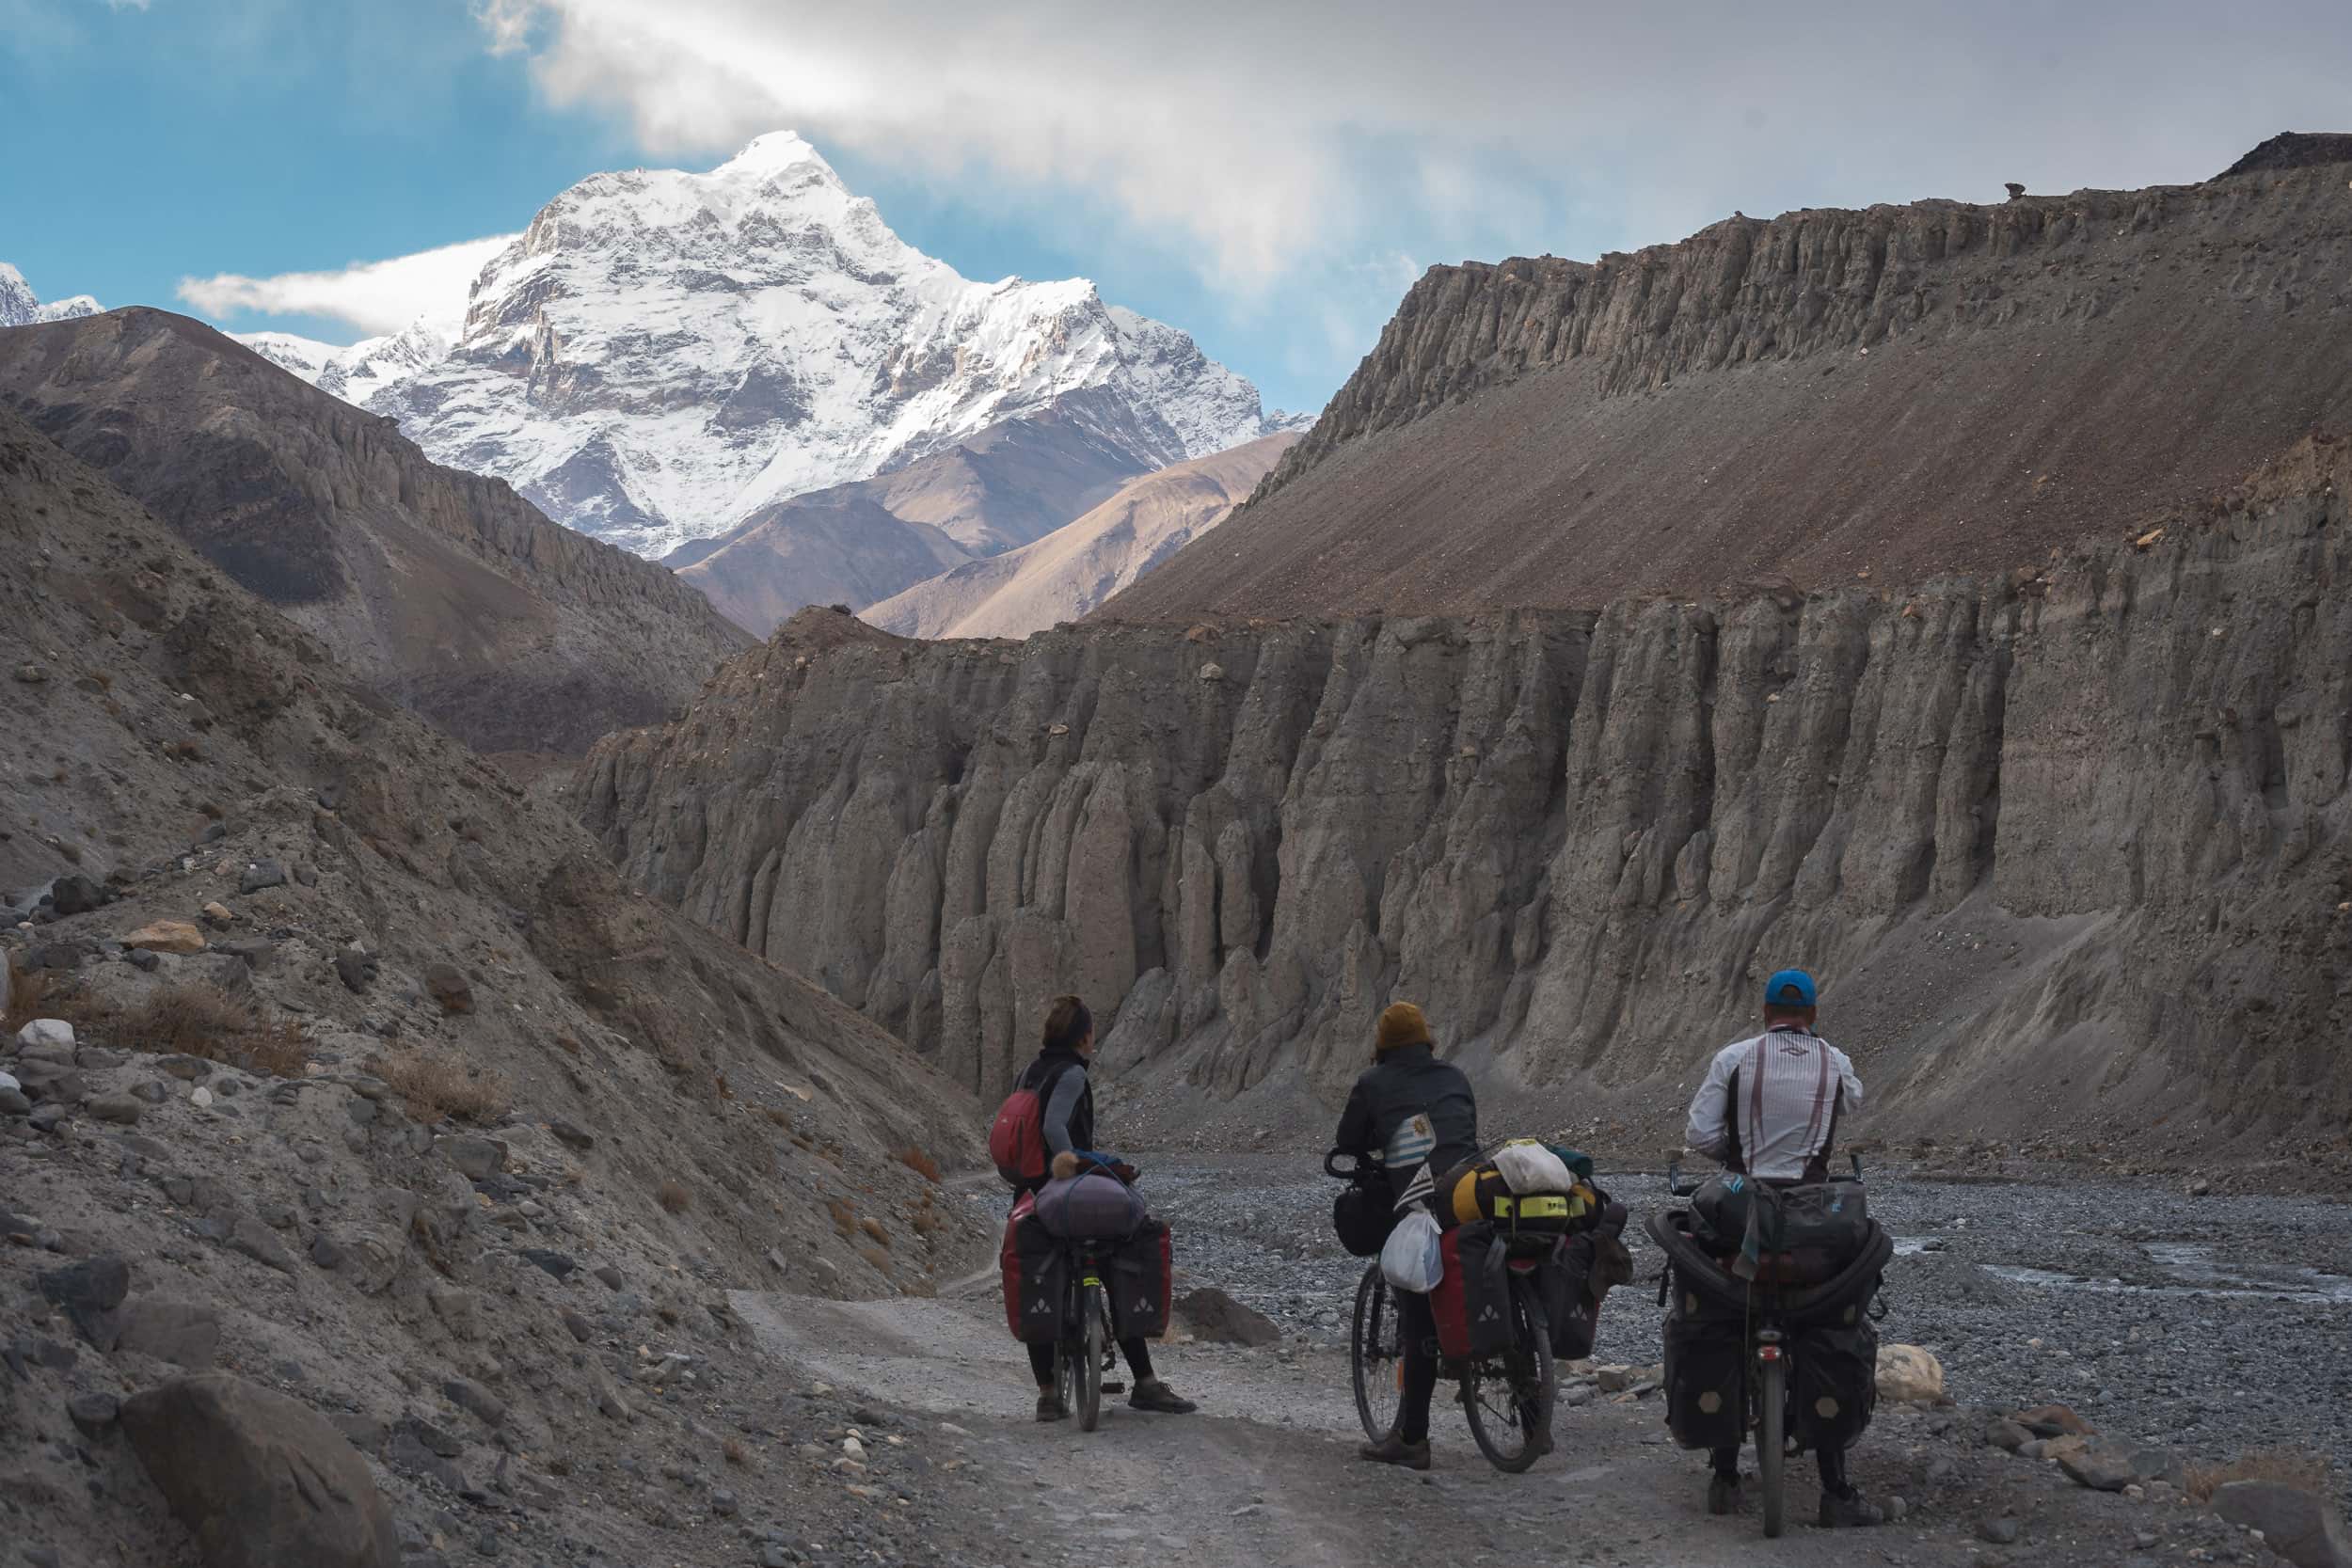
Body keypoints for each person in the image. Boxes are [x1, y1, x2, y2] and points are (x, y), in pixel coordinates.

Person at [1682, 967, 1882, 1528]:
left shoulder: (1735, 1058)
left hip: (1744, 1207)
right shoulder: (1836, 1062)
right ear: (1813, 1015)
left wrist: (1738, 1158)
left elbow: (1699, 1135)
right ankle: (1836, 1490)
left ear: (1765, 1012)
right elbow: (1856, 1101)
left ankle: (1724, 1475)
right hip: (1815, 1218)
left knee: (1722, 1316)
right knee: (1826, 1328)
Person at [1016, 994, 1197, 1421]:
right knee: (1120, 1258)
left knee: (1041, 1276)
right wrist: (1071, 1167)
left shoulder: (1030, 1070)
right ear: (1084, 1037)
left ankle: (1047, 1395)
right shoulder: (1074, 1073)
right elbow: (1053, 1126)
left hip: (1030, 1191)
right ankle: (1146, 1383)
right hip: (1064, 1189)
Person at [1333, 1000, 1478, 1471]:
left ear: (1383, 1045)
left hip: (1424, 1201)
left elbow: (1349, 1139)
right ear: (1426, 1039)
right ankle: (1533, 1408)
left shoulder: (1373, 1082)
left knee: (1417, 1309)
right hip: (1471, 1192)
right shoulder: (1455, 1076)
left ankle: (1413, 1438)